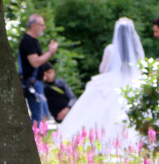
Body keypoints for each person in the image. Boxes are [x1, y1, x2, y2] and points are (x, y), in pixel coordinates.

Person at [54, 18, 145, 148]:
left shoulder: (111, 49)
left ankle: (99, 141)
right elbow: (141, 68)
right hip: (132, 82)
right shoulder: (137, 51)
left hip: (111, 82)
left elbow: (103, 69)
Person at [18, 14, 58, 126]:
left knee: (39, 115)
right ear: (34, 25)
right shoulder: (28, 41)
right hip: (32, 83)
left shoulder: (33, 41)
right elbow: (35, 62)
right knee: (37, 115)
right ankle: (36, 141)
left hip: (36, 82)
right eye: (42, 25)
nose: (44, 27)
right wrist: (50, 52)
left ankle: (36, 140)